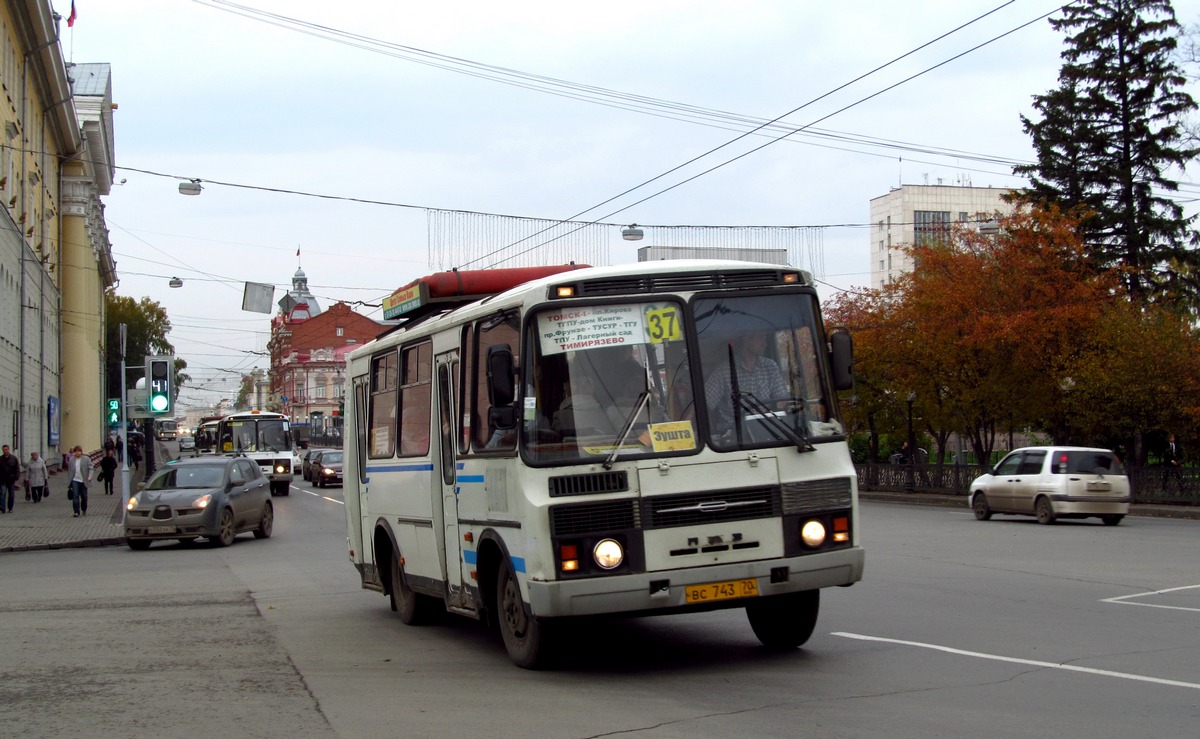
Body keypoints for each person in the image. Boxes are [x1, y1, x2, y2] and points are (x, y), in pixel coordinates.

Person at [703, 332, 789, 432]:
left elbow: (782, 400)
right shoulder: (725, 371)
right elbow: (704, 404)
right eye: (761, 338)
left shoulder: (770, 366)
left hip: (768, 429)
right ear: (746, 339)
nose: (765, 344)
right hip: (735, 433)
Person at [68, 445, 93, 518]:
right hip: (75, 480)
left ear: (81, 452)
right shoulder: (72, 460)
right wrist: (69, 481)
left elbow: (91, 468)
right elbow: (70, 470)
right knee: (75, 496)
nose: (77, 453)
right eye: (76, 451)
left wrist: (90, 476)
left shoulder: (86, 459)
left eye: (79, 451)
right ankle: (76, 511)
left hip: (83, 481)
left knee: (84, 497)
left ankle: (84, 509)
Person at [0, 443, 19, 513]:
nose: (5, 451)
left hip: (11, 479)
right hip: (2, 480)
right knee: (3, 493)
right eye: (3, 450)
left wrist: (16, 477)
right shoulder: (0, 459)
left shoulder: (14, 458)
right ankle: (2, 507)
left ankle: (10, 508)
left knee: (11, 495)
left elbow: (17, 468)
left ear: (8, 450)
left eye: (6, 449)